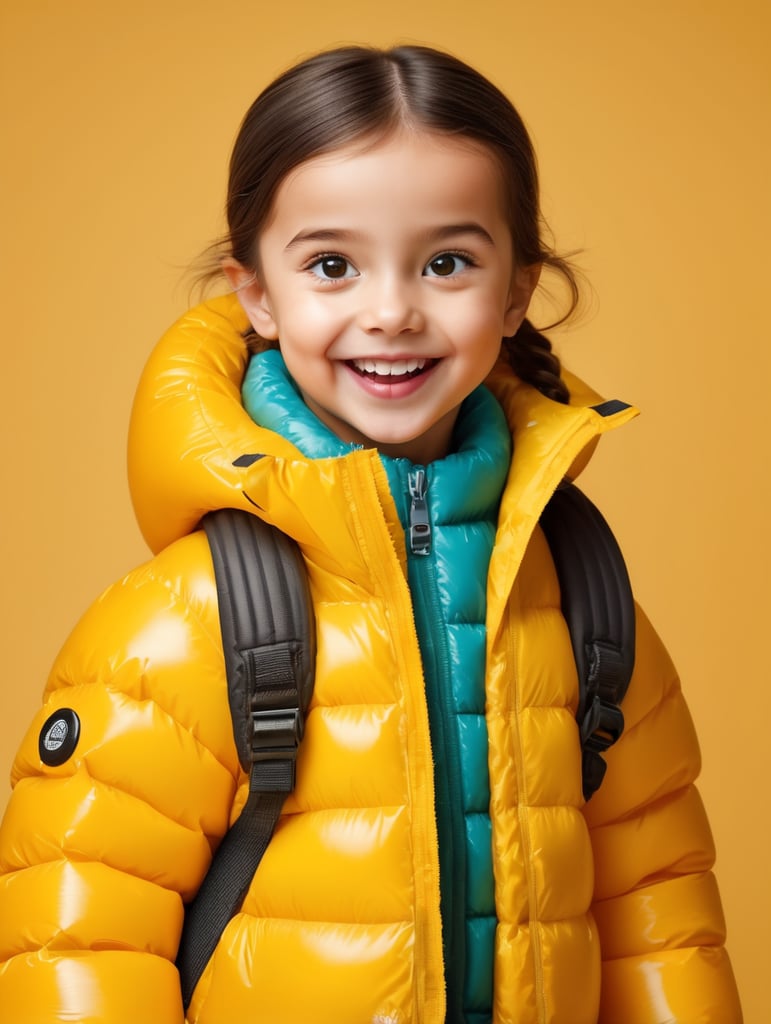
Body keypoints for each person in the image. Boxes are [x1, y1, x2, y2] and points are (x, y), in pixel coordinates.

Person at [0, 44, 742, 1024]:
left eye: (446, 263)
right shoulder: (181, 625)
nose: (391, 311)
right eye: (332, 265)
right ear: (256, 294)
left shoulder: (584, 601)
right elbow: (80, 946)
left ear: (516, 292)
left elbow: (660, 919)